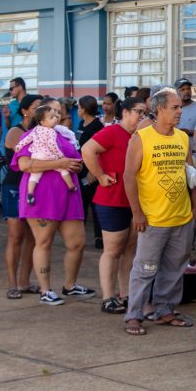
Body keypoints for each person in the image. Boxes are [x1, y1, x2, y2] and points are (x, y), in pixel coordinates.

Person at [123, 88, 196, 335]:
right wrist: (137, 213)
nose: (180, 111)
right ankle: (134, 315)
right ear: (160, 109)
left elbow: (191, 176)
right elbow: (129, 177)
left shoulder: (183, 138)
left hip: (181, 215)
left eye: (180, 107)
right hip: (153, 218)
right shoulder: (141, 138)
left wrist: (193, 209)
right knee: (145, 269)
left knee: (175, 268)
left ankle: (165, 310)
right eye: (175, 107)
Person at [12, 102, 93, 306]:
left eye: (59, 111)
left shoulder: (64, 134)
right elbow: (24, 165)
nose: (57, 114)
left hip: (68, 192)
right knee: (44, 241)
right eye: (53, 111)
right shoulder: (32, 134)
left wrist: (75, 164)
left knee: (77, 242)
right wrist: (60, 163)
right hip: (42, 194)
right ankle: (45, 290)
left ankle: (70, 285)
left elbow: (74, 157)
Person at [82, 97, 146, 314]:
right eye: (138, 111)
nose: (142, 116)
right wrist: (99, 175)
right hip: (112, 199)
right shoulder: (112, 132)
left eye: (144, 112)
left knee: (130, 248)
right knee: (113, 249)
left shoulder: (140, 136)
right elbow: (87, 150)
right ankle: (108, 297)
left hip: (135, 201)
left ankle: (126, 294)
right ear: (125, 112)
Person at [2, 94, 43, 299]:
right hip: (15, 187)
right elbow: (29, 159)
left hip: (33, 188)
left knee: (32, 237)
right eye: (37, 107)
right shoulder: (15, 131)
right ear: (25, 110)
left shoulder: (42, 131)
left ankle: (25, 282)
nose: (41, 110)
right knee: (16, 236)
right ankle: (12, 283)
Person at [17, 104, 78, 203]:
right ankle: (71, 185)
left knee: (34, 176)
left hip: (36, 155)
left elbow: (27, 139)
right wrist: (60, 156)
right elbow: (52, 145)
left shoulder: (35, 129)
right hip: (48, 155)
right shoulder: (51, 131)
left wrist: (19, 146)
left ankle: (30, 193)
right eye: (52, 117)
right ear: (43, 121)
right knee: (63, 170)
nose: (56, 118)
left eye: (57, 115)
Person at [76, 95, 105, 247]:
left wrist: (93, 171)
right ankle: (78, 236)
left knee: (95, 205)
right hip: (80, 170)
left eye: (79, 107)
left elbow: (101, 151)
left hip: (91, 171)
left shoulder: (97, 127)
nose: (77, 110)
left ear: (85, 109)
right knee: (81, 204)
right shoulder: (82, 124)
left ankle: (99, 237)